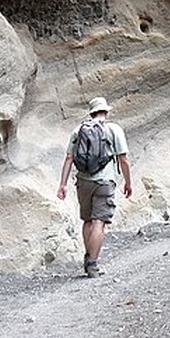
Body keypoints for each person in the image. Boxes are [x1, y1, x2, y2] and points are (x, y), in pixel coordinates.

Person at [57, 96, 132, 277]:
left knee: (88, 220)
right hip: (104, 182)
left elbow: (69, 158)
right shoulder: (113, 129)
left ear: (91, 113)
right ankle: (93, 264)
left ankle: (88, 257)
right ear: (105, 112)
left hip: (83, 181)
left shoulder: (78, 130)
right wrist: (128, 182)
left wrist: (63, 184)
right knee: (99, 221)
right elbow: (123, 159)